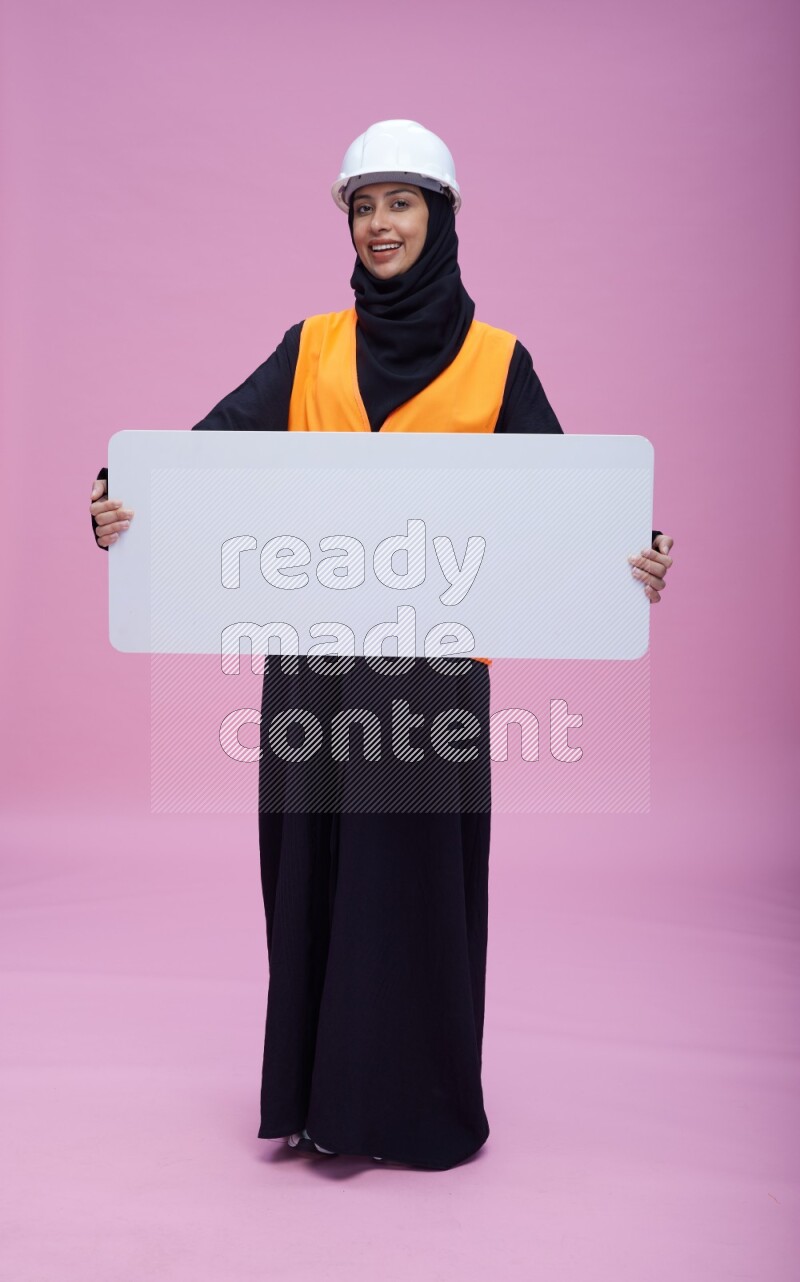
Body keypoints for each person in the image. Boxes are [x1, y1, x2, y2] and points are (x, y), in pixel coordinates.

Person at [90, 120, 675, 1169]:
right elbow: (202, 458)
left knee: (407, 888)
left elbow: (567, 512)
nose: (377, 224)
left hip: (432, 684)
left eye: (398, 202)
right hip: (311, 674)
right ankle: (317, 1104)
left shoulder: (500, 364)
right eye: (361, 206)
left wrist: (630, 561)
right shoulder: (308, 346)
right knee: (311, 875)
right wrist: (121, 505)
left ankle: (406, 1110)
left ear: (440, 217)